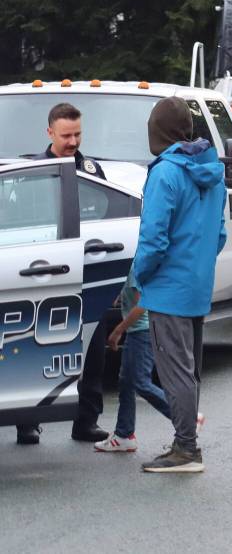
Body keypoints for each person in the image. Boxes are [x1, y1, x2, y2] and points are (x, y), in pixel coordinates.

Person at [135, 97, 227, 473]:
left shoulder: (165, 173)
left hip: (168, 286)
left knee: (174, 371)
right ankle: (186, 442)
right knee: (189, 371)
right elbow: (219, 234)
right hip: (198, 284)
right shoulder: (213, 170)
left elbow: (153, 237)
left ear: (156, 132)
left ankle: (186, 449)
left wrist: (141, 274)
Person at [17, 103, 109, 446]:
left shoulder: (91, 169)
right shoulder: (35, 171)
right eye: (66, 135)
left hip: (86, 273)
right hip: (41, 272)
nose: (73, 141)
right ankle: (28, 422)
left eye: (78, 134)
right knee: (34, 350)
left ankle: (86, 421)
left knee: (93, 351)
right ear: (49, 133)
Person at [94, 263, 181, 453]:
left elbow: (143, 304)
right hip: (141, 331)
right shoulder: (132, 265)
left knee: (140, 382)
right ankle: (124, 435)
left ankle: (185, 418)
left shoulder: (133, 268)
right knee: (126, 383)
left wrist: (118, 330)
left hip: (142, 332)